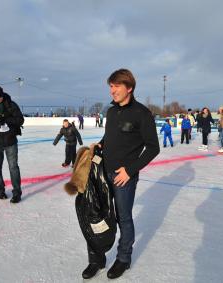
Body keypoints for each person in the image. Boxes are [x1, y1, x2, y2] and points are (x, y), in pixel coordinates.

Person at [85, 69, 159, 280]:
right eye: (111, 86)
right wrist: (101, 144)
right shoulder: (111, 111)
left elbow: (153, 148)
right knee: (97, 216)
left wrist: (130, 170)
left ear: (129, 88)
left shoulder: (141, 114)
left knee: (123, 218)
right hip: (103, 173)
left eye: (116, 86)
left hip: (123, 177)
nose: (112, 91)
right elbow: (111, 136)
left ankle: (123, 259)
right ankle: (97, 258)